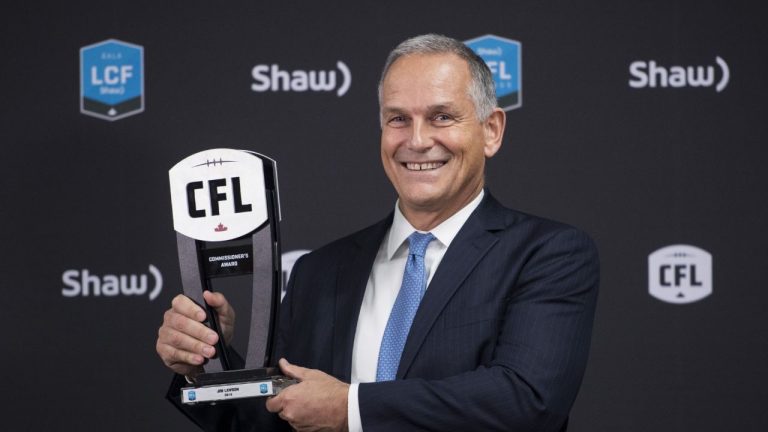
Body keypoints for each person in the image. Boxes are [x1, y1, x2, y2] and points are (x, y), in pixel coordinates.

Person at [156, 33, 599, 432]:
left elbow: (527, 402)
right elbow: (272, 419)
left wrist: (349, 408)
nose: (417, 140)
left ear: (491, 130)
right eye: (398, 119)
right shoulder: (318, 272)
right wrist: (208, 361)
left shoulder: (548, 254)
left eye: (442, 116)